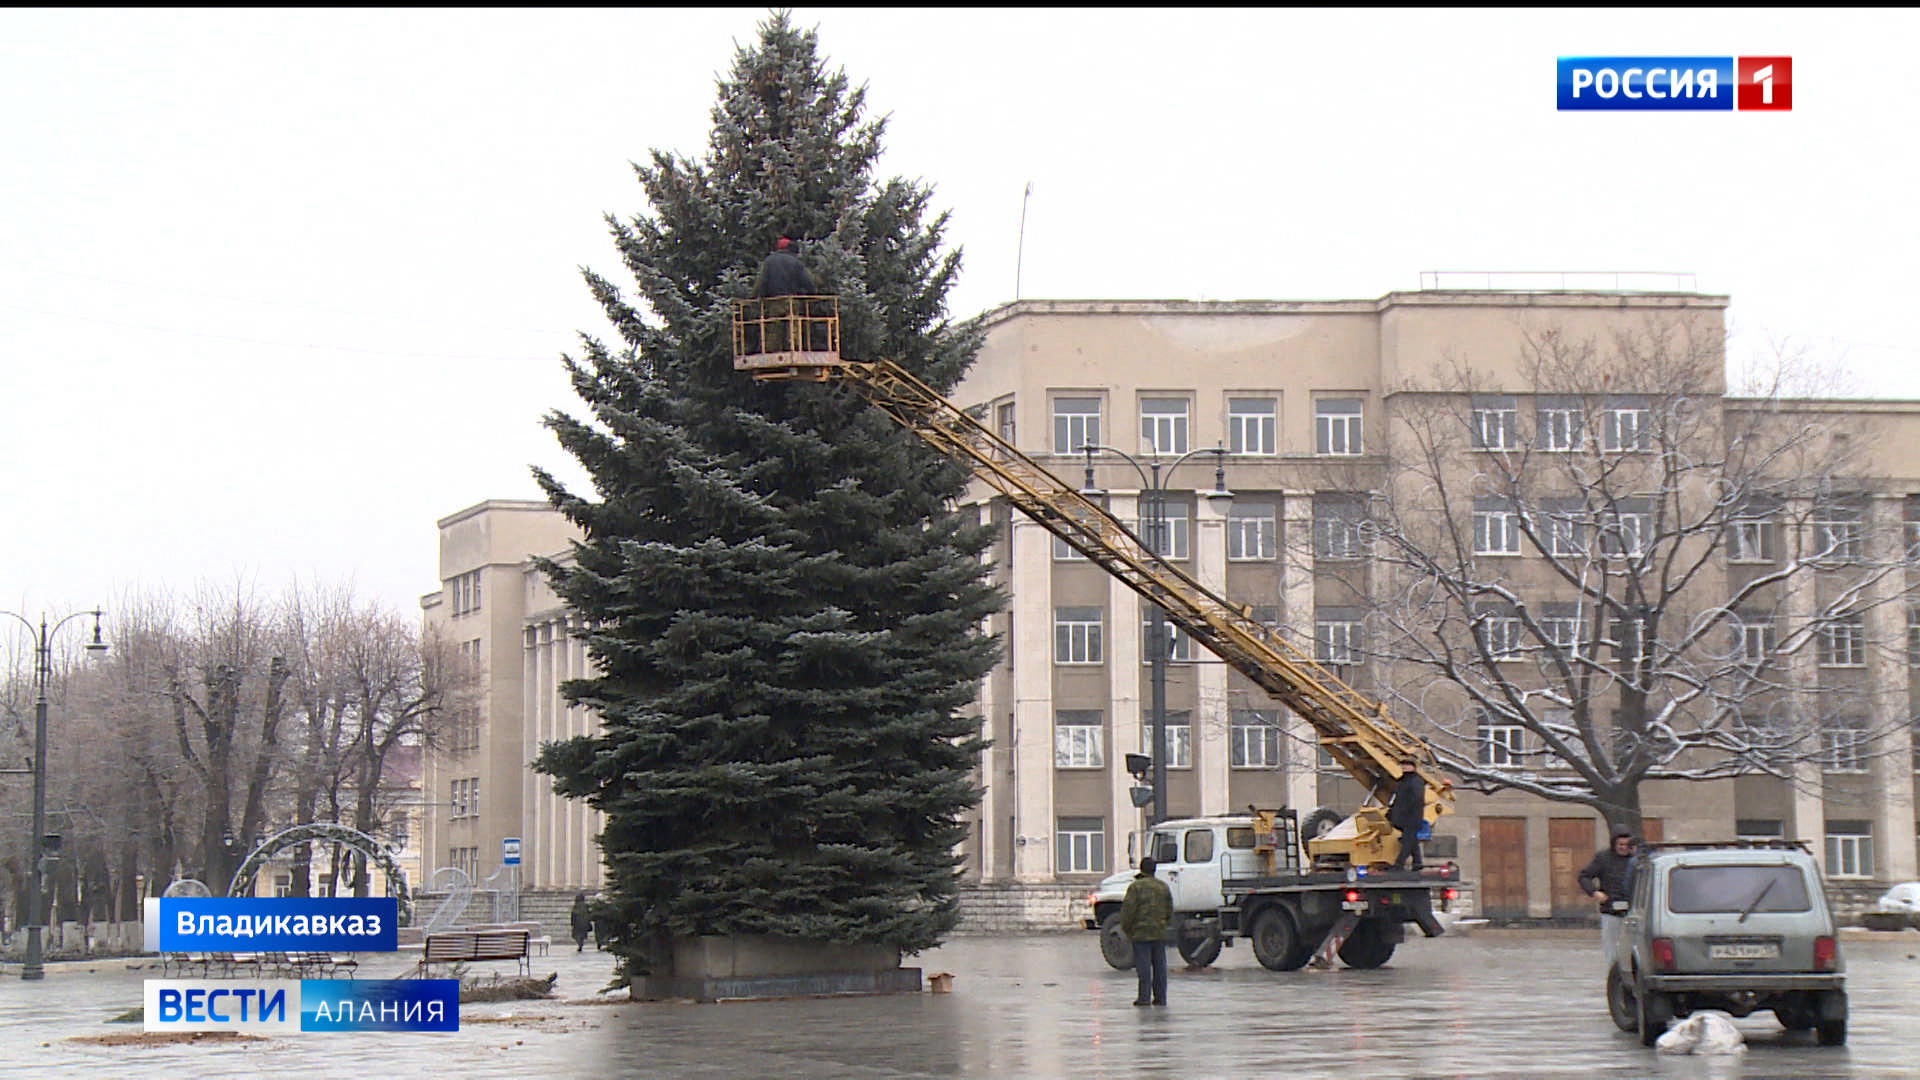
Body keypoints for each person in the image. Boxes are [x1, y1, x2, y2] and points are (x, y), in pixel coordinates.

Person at [1578, 825, 1638, 963]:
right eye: (1620, 844)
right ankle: (1614, 979)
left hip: (1633, 913)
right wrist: (1594, 892)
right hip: (1611, 911)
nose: (1623, 847)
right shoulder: (1603, 858)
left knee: (1633, 951)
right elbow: (1584, 876)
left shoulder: (1636, 860)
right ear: (1614, 844)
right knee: (1612, 952)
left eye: (1626, 844)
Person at [1120, 856, 1173, 1007]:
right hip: (1159, 932)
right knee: (1160, 967)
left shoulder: (1135, 887)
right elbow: (1170, 910)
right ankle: (1161, 998)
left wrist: (1127, 929)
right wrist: (1164, 925)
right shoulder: (1163, 887)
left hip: (1140, 933)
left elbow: (1128, 911)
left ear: (1141, 869)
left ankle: (1144, 998)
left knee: (1144, 967)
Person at [751, 235, 816, 353]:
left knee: (774, 327)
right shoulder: (796, 262)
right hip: (792, 300)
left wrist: (757, 296)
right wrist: (811, 294)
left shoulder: (769, 261)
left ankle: (771, 350)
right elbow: (808, 282)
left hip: (774, 301)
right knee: (793, 325)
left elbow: (762, 282)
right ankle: (795, 348)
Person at [1386, 755, 1426, 871]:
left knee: (1407, 841)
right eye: (1403, 764)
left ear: (1413, 767)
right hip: (1405, 817)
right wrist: (1392, 811)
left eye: (1407, 765)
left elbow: (1416, 799)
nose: (1404, 767)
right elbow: (1398, 799)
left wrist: (1405, 811)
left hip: (1411, 817)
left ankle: (1399, 864)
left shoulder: (1415, 781)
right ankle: (1417, 863)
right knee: (1411, 840)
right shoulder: (1404, 781)